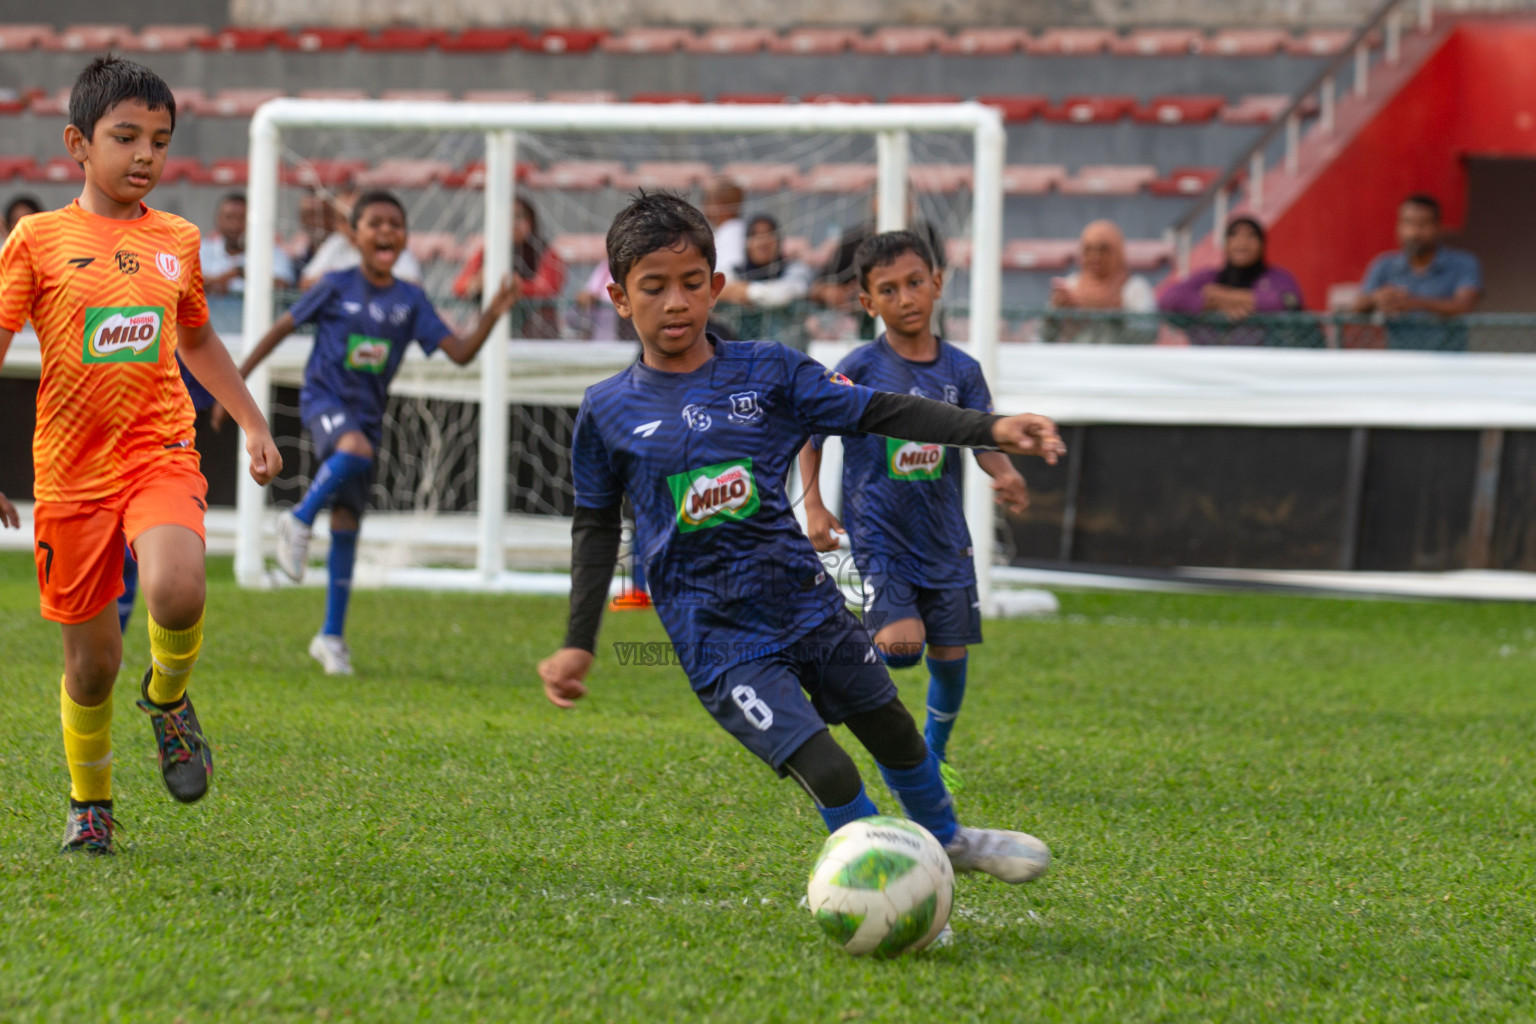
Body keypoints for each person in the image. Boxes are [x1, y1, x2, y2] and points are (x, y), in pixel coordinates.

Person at [537, 191, 1063, 884]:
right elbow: (596, 525)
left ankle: (947, 838)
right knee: (828, 764)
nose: (675, 303)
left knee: (894, 730)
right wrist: (579, 640)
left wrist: (990, 430)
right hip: (717, 633)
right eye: (653, 287)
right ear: (620, 297)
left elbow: (880, 410)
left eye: (692, 284)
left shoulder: (769, 371)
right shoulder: (607, 410)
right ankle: (884, 880)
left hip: (806, 605)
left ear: (716, 286)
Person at [0, 56, 281, 854]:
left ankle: (168, 701)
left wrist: (252, 421)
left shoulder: (178, 241)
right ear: (77, 145)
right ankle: (91, 804)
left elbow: (195, 335)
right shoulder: (38, 241)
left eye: (161, 140)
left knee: (177, 588)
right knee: (91, 667)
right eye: (126, 136)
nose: (146, 155)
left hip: (158, 449)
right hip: (69, 473)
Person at [216, 191, 518, 675]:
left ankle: (331, 638)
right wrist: (238, 378)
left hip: (368, 414)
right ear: (353, 235)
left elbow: (459, 353)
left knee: (348, 523)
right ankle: (297, 520)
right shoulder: (335, 285)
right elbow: (280, 328)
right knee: (351, 450)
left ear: (405, 239)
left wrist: (493, 312)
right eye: (374, 222)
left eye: (395, 224)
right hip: (324, 401)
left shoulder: (410, 299)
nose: (385, 231)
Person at [797, 226, 1030, 785]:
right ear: (867, 301)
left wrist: (1006, 472)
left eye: (915, 283)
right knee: (903, 647)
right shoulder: (858, 368)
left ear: (937, 283)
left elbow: (982, 438)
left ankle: (935, 753)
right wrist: (815, 507)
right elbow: (810, 433)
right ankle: (837, 662)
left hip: (945, 537)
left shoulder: (962, 371)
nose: (905, 298)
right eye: (889, 289)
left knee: (950, 657)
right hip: (880, 536)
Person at [1352, 193, 1482, 351]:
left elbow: (1464, 306)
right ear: (1398, 226)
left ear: (1438, 227)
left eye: (1423, 224)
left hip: (1449, 363)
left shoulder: (1463, 263)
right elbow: (1357, 308)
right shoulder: (1384, 265)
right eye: (1408, 223)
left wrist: (1413, 303)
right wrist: (1377, 298)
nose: (1414, 232)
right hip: (1402, 362)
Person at [1158, 216, 1305, 346]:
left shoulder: (1277, 276)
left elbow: (1287, 302)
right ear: (1225, 244)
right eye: (1234, 235)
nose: (1242, 242)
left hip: (1264, 362)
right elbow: (1167, 300)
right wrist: (1207, 303)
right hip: (1210, 360)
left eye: (1251, 236)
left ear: (1262, 244)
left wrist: (1220, 296)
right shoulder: (1209, 276)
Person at [453, 196, 567, 339]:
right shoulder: (486, 252)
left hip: (537, 334)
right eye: (507, 216)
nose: (513, 222)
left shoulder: (545, 252)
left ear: (531, 221)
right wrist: (477, 283)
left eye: (519, 216)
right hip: (492, 332)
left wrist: (515, 286)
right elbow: (459, 286)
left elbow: (549, 288)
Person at [1043, 220, 1156, 344]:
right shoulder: (1071, 285)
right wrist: (1055, 314)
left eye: (1103, 249)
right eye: (1089, 249)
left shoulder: (1134, 288)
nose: (1095, 256)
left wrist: (1118, 317)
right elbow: (1046, 337)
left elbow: (1148, 337)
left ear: (1117, 252)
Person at [715, 214, 815, 350]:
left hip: (785, 359)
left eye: (769, 234)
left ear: (779, 240)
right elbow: (710, 289)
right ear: (746, 242)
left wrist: (746, 292)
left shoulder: (795, 270)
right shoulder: (733, 272)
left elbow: (782, 295)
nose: (762, 241)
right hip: (737, 357)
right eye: (756, 235)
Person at [299, 186, 424, 289]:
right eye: (343, 220)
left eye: (354, 218)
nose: (349, 226)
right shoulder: (337, 243)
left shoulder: (390, 248)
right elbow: (305, 283)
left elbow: (412, 286)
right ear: (335, 223)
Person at [200, 192, 296, 296]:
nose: (235, 225)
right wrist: (211, 283)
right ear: (218, 220)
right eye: (229, 217)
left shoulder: (272, 253)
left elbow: (284, 285)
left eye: (242, 218)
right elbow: (183, 280)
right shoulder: (200, 250)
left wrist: (239, 273)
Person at [701, 177, 746, 283]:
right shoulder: (725, 230)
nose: (705, 206)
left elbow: (730, 273)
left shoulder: (731, 232)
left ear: (722, 205)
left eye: (710, 201)